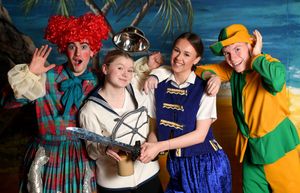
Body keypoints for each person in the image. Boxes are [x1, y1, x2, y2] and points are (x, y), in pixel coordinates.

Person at [1, 13, 110, 192]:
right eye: (71, 46)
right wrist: (30, 75)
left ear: (93, 50)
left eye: (84, 46)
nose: (77, 53)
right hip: (47, 157)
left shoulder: (100, 81)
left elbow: (128, 82)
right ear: (63, 49)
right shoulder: (46, 76)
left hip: (82, 158)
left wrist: (151, 71)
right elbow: (7, 103)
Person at [194, 24, 300, 193]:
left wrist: (257, 56)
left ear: (251, 44)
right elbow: (199, 69)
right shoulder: (233, 70)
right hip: (251, 152)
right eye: (226, 53)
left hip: (279, 149)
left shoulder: (269, 64)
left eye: (237, 49)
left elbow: (276, 80)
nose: (232, 58)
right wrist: (212, 77)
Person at [140, 32, 232, 193]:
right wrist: (150, 148)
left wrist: (159, 146)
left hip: (206, 164)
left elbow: (200, 135)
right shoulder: (157, 84)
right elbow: (156, 128)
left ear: (196, 60)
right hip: (175, 164)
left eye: (187, 54)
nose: (178, 57)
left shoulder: (206, 86)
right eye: (177, 50)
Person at [79, 49, 164, 193]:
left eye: (130, 70)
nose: (126, 74)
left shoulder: (139, 87)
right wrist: (106, 148)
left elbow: (167, 72)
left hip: (149, 175)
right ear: (105, 69)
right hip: (114, 185)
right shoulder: (90, 110)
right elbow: (92, 151)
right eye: (120, 68)